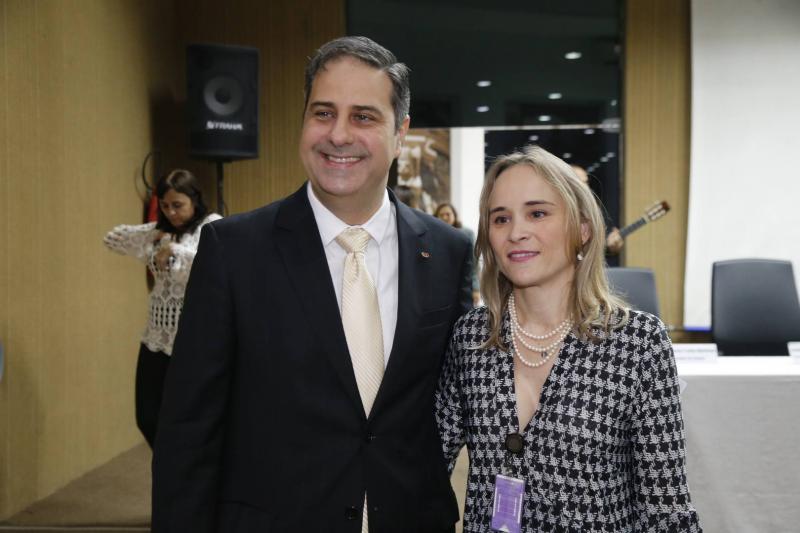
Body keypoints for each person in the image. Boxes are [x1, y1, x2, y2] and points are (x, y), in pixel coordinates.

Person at [151, 36, 473, 532]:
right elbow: (188, 432)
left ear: (400, 133)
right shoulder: (233, 251)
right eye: (323, 113)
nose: (338, 135)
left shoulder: (447, 252)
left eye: (363, 117)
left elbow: (456, 401)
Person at [436, 146, 701, 532]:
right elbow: (427, 465)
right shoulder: (472, 337)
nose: (516, 232)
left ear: (582, 229)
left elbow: (666, 511)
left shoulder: (639, 344)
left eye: (537, 213)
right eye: (501, 218)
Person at [103, 169, 220, 448]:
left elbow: (214, 263)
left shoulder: (212, 226)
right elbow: (111, 239)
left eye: (177, 205)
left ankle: (188, 466)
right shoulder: (162, 232)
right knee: (147, 416)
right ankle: (172, 463)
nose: (171, 212)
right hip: (157, 336)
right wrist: (154, 233)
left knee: (192, 417)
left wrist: (176, 251)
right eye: (165, 206)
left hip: (194, 339)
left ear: (194, 199)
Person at [571, 164, 624, 254]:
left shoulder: (594, 210)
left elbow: (600, 248)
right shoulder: (558, 212)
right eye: (579, 183)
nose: (585, 188)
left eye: (586, 183)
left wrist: (612, 248)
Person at [435, 202, 480, 306]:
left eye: (448, 214)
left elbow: (474, 264)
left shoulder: (467, 234)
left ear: (454, 215)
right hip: (440, 288)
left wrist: (476, 288)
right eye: (441, 215)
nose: (445, 217)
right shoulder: (432, 235)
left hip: (464, 285)